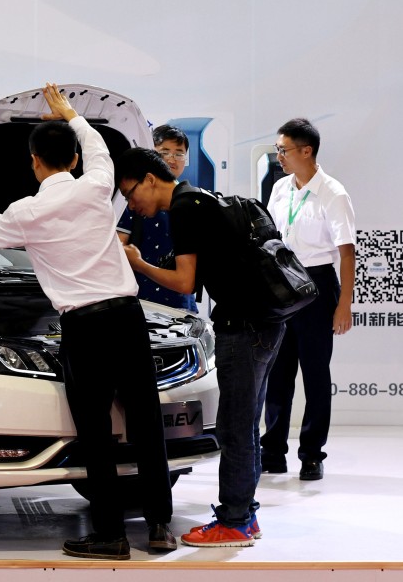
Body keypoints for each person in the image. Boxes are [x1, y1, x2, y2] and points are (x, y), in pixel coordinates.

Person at [0, 83, 175, 560]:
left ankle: (110, 535)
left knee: (96, 433)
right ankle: (158, 528)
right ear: (71, 161)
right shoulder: (96, 186)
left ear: (35, 162)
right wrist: (72, 115)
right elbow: (96, 147)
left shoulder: (27, 212)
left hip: (85, 327)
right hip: (128, 318)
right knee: (146, 423)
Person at [116, 147, 286, 548]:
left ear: (150, 179)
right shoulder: (201, 197)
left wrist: (138, 263)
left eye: (129, 193)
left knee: (234, 426)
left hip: (242, 326)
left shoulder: (184, 209)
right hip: (264, 321)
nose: (131, 204)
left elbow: (184, 282)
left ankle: (235, 521)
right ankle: (245, 513)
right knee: (243, 422)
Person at [260, 118, 356, 481]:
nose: (279, 156)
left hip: (317, 286)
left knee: (315, 375)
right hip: (281, 283)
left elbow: (347, 253)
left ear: (306, 151)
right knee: (277, 373)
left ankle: (312, 454)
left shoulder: (333, 193)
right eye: (278, 149)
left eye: (283, 149)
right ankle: (272, 452)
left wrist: (344, 303)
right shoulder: (281, 187)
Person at [117, 125, 198, 311]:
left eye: (179, 153)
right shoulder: (137, 202)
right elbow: (118, 247)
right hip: (142, 300)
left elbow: (186, 282)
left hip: (180, 305)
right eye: (165, 152)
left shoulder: (187, 206)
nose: (171, 159)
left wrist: (139, 263)